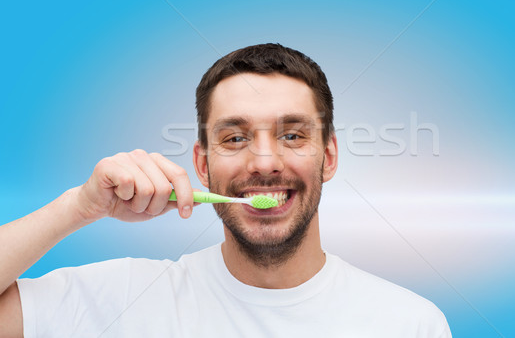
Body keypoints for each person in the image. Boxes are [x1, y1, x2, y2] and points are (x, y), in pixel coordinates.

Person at [0, 43, 451, 337]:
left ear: (328, 157)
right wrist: (77, 207)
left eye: (292, 135)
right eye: (235, 138)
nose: (264, 162)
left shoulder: (409, 323)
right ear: (202, 165)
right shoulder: (118, 299)